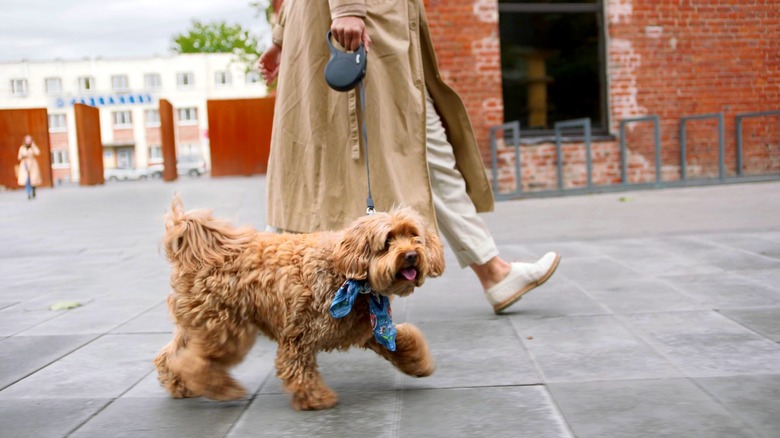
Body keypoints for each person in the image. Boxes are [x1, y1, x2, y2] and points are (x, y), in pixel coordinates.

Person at [258, 0, 559, 314]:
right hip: (362, 25)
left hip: (376, 25)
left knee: (421, 147)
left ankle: (493, 271)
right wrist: (346, 9)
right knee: (320, 162)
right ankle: (268, 284)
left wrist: (282, 36)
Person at [17, 135, 42, 200]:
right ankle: (28, 193)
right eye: (27, 140)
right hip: (25, 164)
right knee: (26, 179)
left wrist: (33, 146)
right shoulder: (22, 148)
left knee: (33, 179)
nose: (28, 141)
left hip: (32, 164)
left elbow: (38, 152)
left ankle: (33, 190)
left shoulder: (32, 147)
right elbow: (19, 157)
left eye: (29, 140)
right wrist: (23, 156)